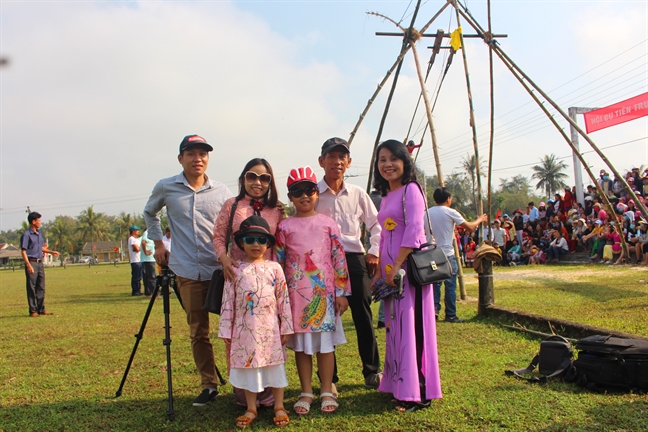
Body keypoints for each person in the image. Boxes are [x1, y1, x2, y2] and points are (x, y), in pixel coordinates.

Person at [143, 134, 233, 406]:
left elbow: (235, 223)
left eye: (203, 154)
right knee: (199, 330)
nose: (198, 159)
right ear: (180, 158)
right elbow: (150, 212)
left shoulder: (221, 191)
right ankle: (209, 384)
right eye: (191, 154)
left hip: (221, 270)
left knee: (236, 327)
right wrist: (159, 242)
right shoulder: (166, 187)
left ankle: (244, 382)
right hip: (186, 271)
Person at [372, 139, 442, 412]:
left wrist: (397, 267)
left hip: (407, 274)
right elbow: (383, 236)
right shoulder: (388, 195)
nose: (387, 164)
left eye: (393, 159)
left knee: (412, 330)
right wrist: (381, 271)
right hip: (391, 276)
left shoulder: (412, 190)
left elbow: (414, 232)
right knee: (395, 329)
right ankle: (400, 384)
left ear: (405, 162)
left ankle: (419, 392)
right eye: (382, 160)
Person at [275, 166, 351, 415]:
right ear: (290, 196)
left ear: (317, 192)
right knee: (302, 347)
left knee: (326, 346)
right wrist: (279, 298)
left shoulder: (328, 224)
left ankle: (327, 389)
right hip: (297, 298)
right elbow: (278, 263)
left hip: (325, 297)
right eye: (298, 191)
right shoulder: (284, 227)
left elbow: (339, 258)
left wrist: (342, 292)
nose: (304, 196)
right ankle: (306, 390)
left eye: (309, 190)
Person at [213, 157, 284, 408]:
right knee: (238, 334)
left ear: (270, 182)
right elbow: (219, 236)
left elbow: (280, 245)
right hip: (237, 279)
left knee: (268, 335)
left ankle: (267, 395)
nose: (258, 182)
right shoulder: (231, 205)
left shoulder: (277, 209)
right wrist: (224, 260)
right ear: (243, 178)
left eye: (264, 178)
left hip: (267, 281)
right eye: (252, 176)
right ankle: (244, 394)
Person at [315, 137, 383, 389]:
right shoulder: (312, 193)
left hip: (354, 259)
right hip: (323, 263)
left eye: (342, 157)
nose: (337, 161)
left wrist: (374, 251)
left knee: (363, 315)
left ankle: (372, 371)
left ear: (349, 162)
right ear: (321, 161)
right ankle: (329, 379)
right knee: (325, 318)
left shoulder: (357, 193)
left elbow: (376, 224)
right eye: (331, 156)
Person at [218, 215, 294, 428]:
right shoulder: (235, 269)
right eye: (250, 240)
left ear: (268, 243)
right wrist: (226, 330)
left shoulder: (275, 268)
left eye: (261, 240)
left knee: (275, 367)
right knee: (249, 367)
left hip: (270, 329)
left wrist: (286, 325)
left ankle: (279, 405)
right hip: (244, 331)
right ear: (241, 243)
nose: (255, 244)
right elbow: (227, 302)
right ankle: (251, 407)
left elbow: (283, 299)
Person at [428, 187, 487, 322]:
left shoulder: (426, 213)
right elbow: (470, 227)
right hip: (447, 253)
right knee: (450, 284)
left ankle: (434, 311)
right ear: (448, 199)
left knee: (435, 284)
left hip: (431, 253)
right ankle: (450, 314)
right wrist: (479, 219)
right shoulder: (450, 212)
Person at [20, 211, 59, 317]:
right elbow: (23, 251)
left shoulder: (39, 234)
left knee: (41, 287)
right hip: (31, 262)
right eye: (39, 221)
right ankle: (33, 310)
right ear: (33, 221)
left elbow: (40, 248)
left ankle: (41, 309)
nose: (40, 223)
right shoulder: (27, 235)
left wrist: (51, 252)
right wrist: (28, 265)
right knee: (31, 287)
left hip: (40, 263)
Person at [140, 229, 157, 298]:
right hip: (148, 259)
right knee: (152, 276)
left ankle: (148, 293)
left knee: (147, 276)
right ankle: (154, 293)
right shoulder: (147, 233)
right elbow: (143, 242)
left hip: (150, 259)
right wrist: (146, 252)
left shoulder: (150, 233)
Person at [128, 225, 142, 296]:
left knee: (139, 276)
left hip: (138, 260)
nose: (138, 231)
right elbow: (136, 249)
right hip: (135, 260)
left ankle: (138, 289)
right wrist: (141, 248)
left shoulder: (136, 239)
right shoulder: (132, 239)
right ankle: (135, 291)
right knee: (136, 277)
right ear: (133, 231)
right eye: (137, 230)